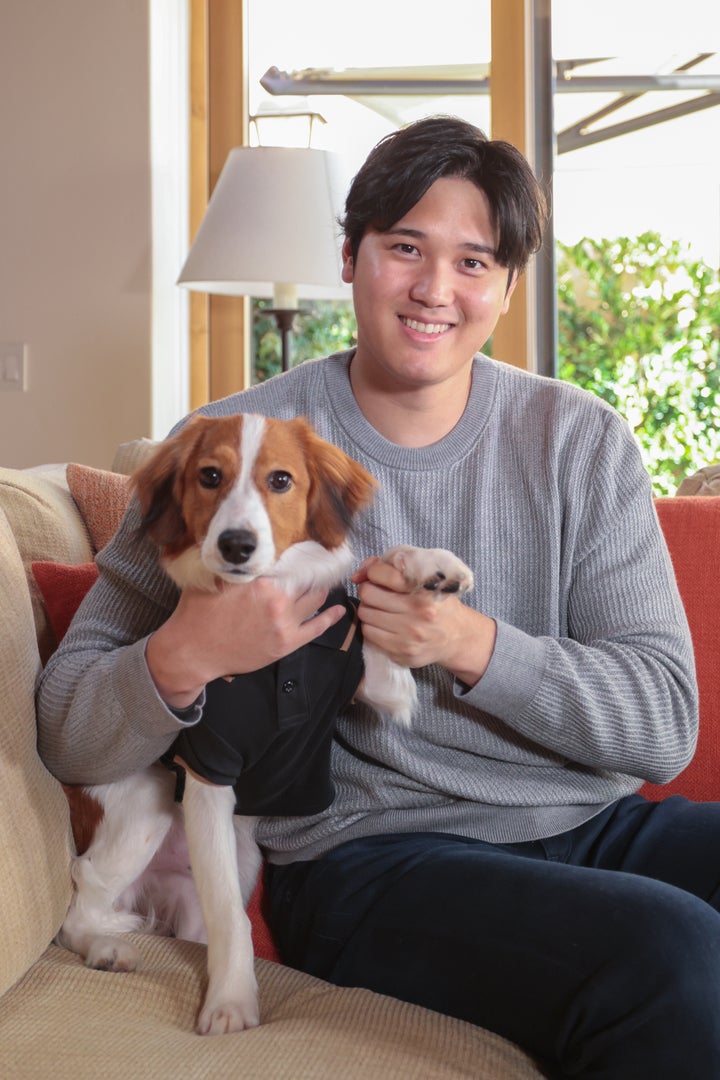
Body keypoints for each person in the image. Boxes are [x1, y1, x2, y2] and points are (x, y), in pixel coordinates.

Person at [37, 116, 720, 1078]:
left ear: (508, 286)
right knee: (670, 950)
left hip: (589, 821)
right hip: (372, 859)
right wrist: (187, 651)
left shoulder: (581, 441)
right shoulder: (223, 453)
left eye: (475, 261)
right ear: (351, 257)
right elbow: (66, 727)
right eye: (406, 248)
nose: (436, 289)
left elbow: (663, 726)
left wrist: (474, 644)